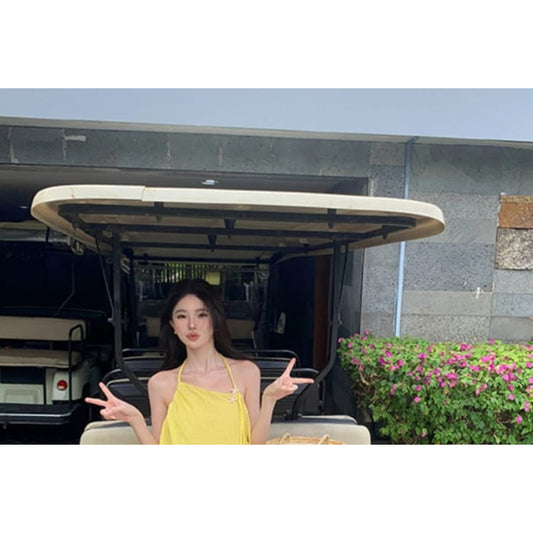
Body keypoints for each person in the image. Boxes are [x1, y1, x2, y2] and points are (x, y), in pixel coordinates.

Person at [85, 278, 314, 444]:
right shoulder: (161, 383)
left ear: (215, 320)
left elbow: (255, 447)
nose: (192, 325)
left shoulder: (246, 372)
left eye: (202, 314)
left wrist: (270, 399)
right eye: (182, 316)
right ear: (173, 326)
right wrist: (135, 418)